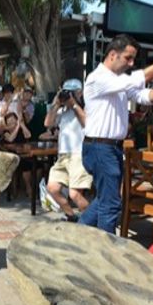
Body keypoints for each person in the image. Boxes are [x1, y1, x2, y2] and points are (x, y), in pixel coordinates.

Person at [79, 34, 153, 233]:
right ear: (112, 55)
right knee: (110, 205)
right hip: (100, 147)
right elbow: (139, 80)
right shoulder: (98, 78)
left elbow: (143, 95)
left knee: (105, 199)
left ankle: (79, 232)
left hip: (107, 148)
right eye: (128, 58)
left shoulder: (117, 81)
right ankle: (105, 253)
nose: (131, 63)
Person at [44, 79, 91, 222]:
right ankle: (71, 216)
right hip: (63, 155)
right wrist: (56, 103)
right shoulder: (61, 110)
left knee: (75, 194)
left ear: (80, 92)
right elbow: (47, 123)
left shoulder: (86, 107)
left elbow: (87, 124)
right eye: (66, 92)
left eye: (72, 92)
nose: (68, 96)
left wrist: (74, 105)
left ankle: (92, 220)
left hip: (78, 154)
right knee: (52, 188)